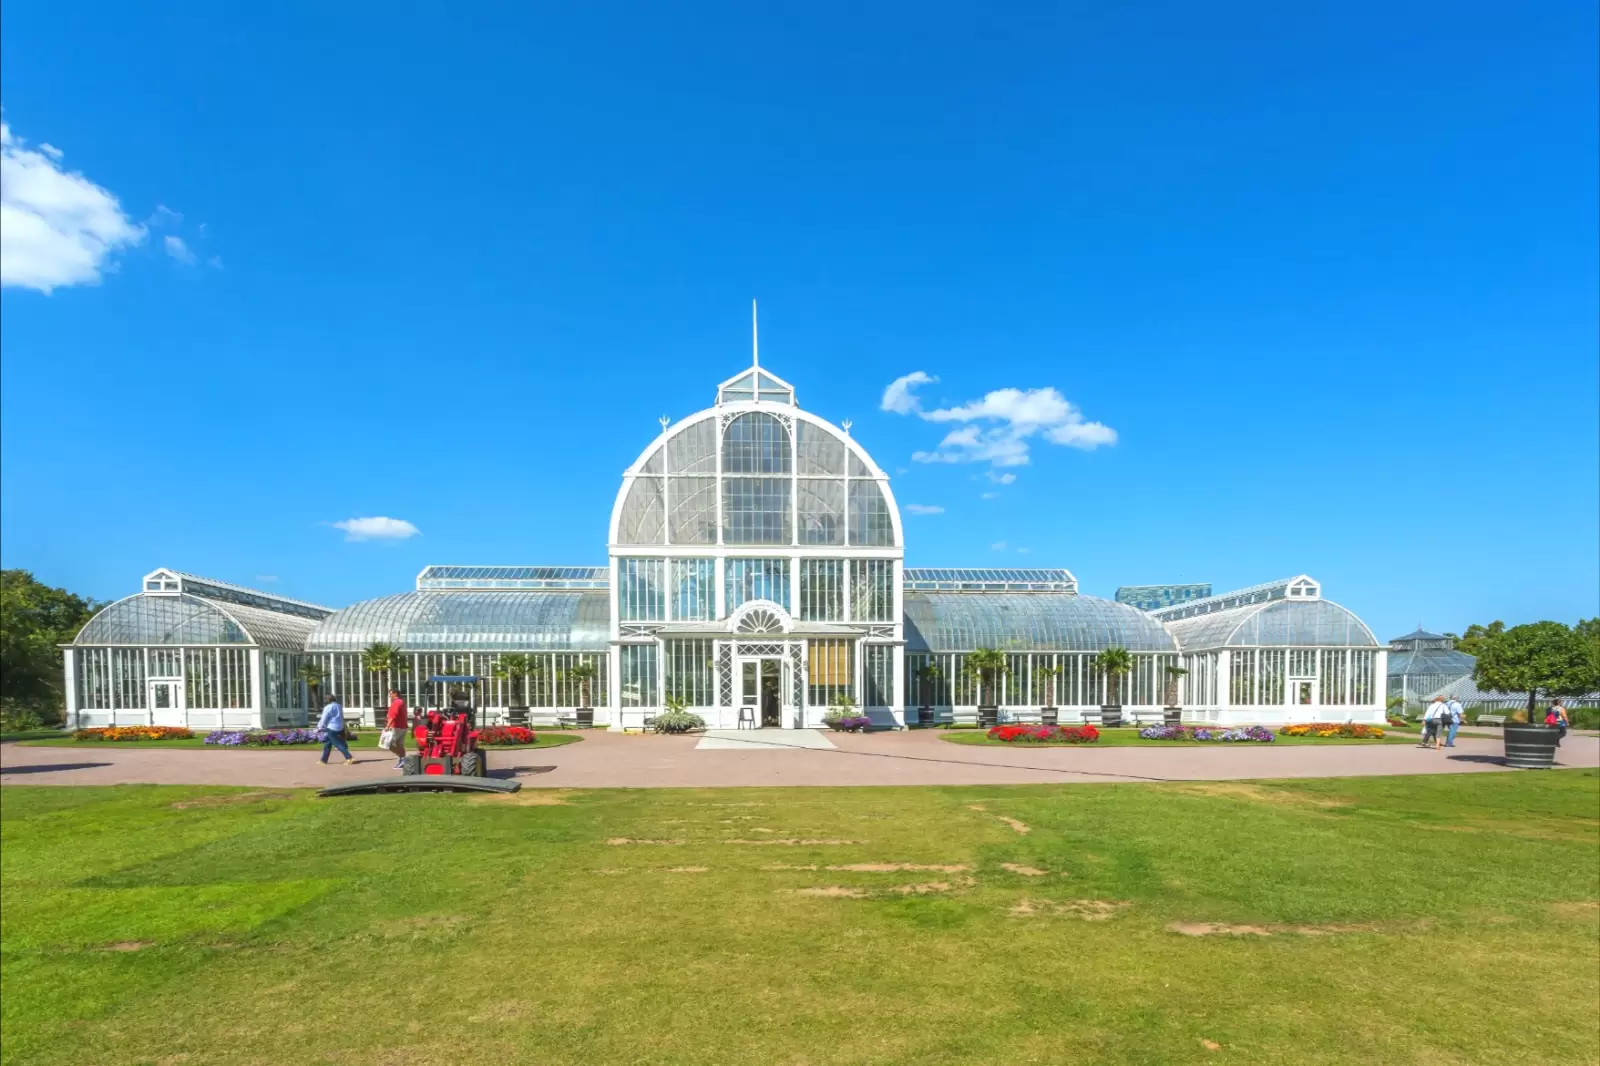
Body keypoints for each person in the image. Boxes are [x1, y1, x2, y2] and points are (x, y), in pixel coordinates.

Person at [317, 693, 354, 765]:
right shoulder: (339, 706)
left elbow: (323, 718)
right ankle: (323, 760)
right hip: (339, 727)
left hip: (331, 727)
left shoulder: (327, 707)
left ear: (327, 700)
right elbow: (341, 717)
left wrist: (319, 727)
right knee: (327, 743)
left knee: (338, 744)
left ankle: (349, 758)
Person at [384, 688, 409, 769]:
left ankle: (403, 759)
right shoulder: (402, 702)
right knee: (400, 745)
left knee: (389, 744)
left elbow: (393, 715)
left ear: (395, 694)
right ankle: (403, 761)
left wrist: (388, 725)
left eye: (391, 694)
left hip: (396, 727)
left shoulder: (396, 702)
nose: (390, 696)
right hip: (403, 726)